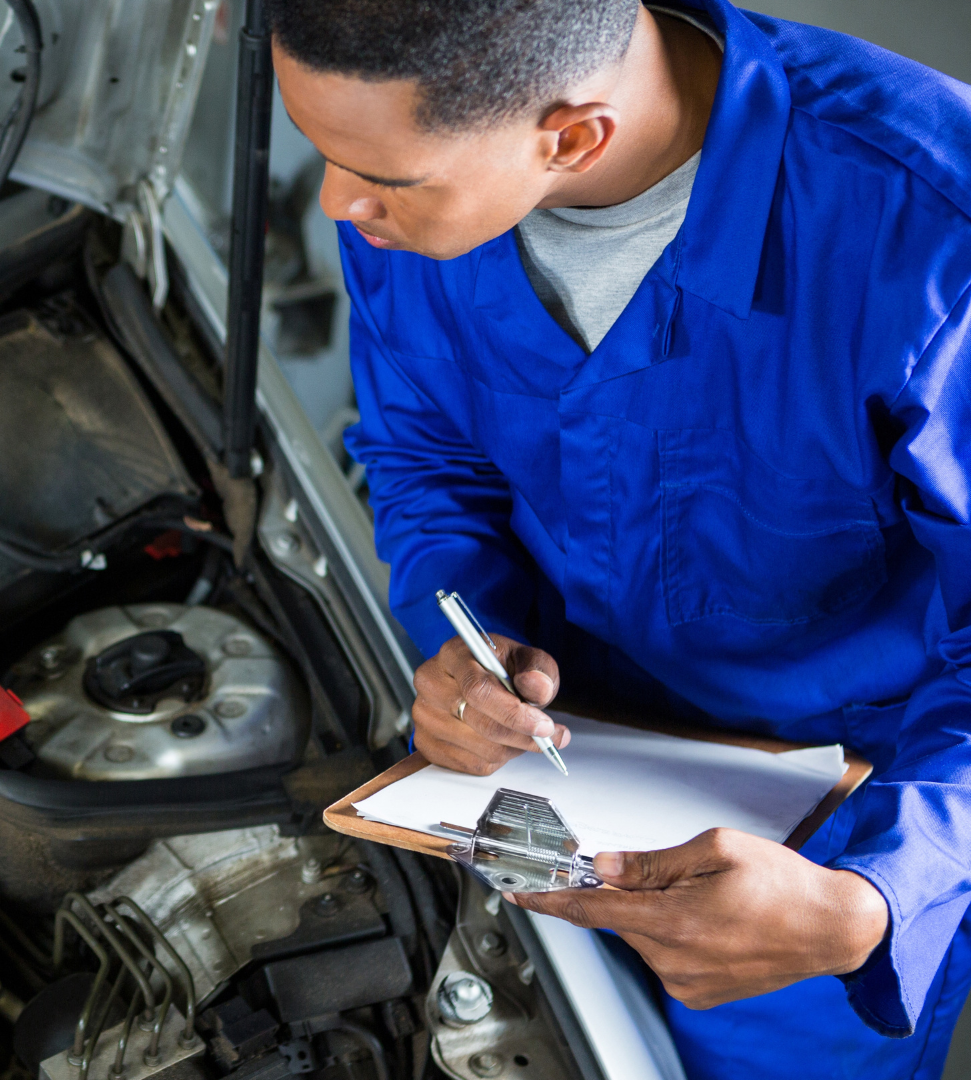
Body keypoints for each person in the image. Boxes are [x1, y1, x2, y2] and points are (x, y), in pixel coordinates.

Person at [265, 0, 971, 1076]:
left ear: (572, 137)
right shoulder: (406, 184)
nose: (337, 203)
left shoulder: (933, 237)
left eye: (384, 179)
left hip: (815, 861)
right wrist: (468, 639)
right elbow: (427, 462)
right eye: (323, 152)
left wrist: (875, 900)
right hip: (531, 798)